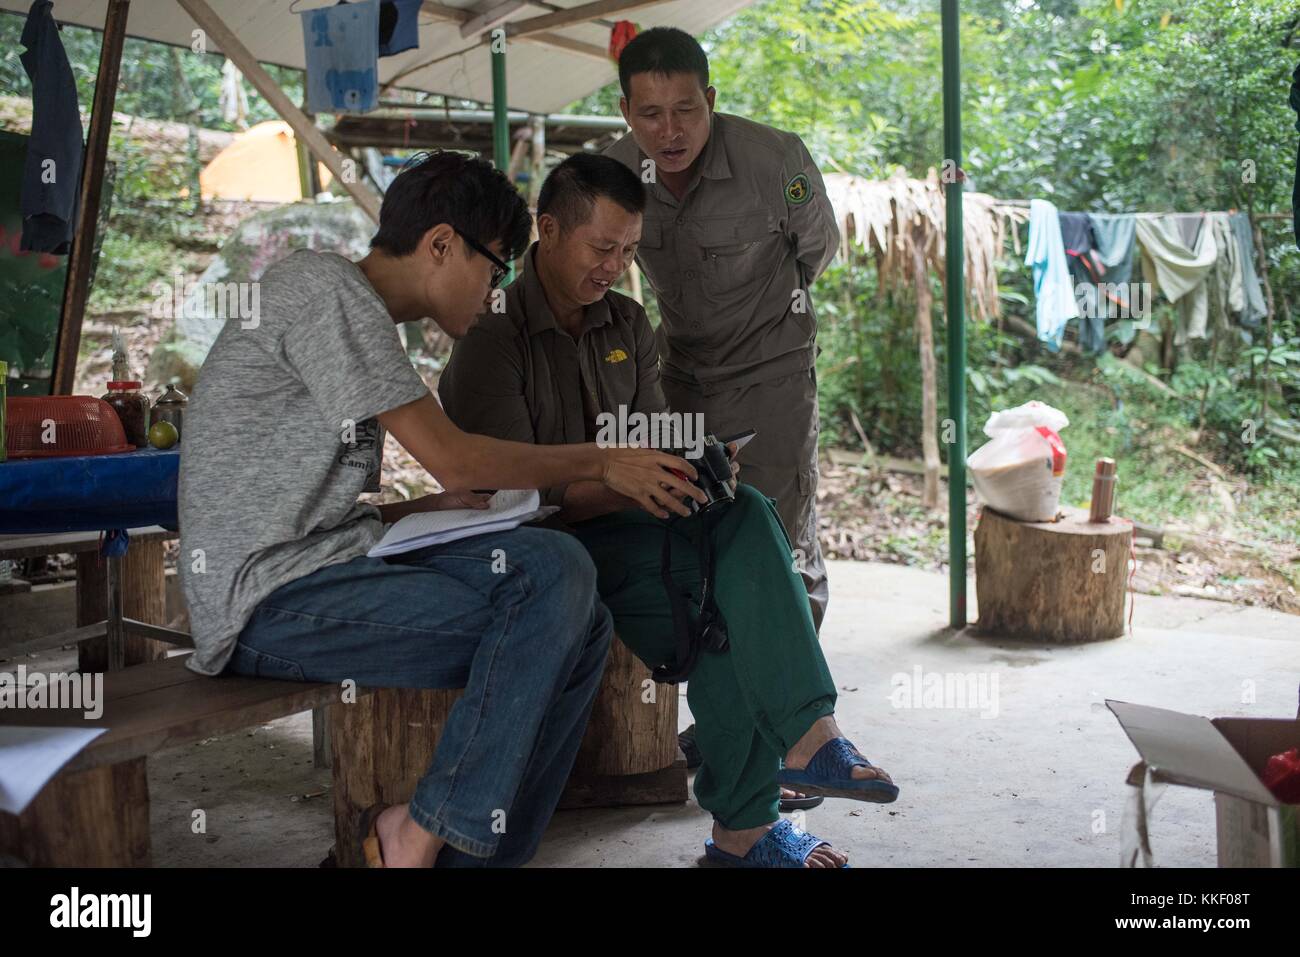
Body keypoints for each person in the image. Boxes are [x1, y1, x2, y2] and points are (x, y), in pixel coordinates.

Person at [178, 150, 705, 869]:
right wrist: (602, 458)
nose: (495, 294)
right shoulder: (323, 290)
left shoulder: (353, 309)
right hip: (262, 599)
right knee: (554, 592)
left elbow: (329, 499)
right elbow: (455, 454)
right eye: (494, 270)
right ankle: (418, 833)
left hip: (322, 566)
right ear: (441, 244)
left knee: (576, 607)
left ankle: (452, 851)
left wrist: (420, 511)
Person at [439, 154, 898, 868]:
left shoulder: (625, 318)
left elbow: (655, 435)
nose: (615, 267)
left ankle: (807, 745)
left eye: (628, 251)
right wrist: (623, 478)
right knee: (725, 607)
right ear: (549, 229)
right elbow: (505, 492)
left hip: (631, 526)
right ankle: (753, 821)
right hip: (542, 554)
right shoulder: (491, 332)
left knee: (741, 511)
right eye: (601, 248)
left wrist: (697, 458)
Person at [604, 26, 840, 636]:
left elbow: (816, 251)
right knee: (694, 535)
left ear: (710, 98)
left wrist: (765, 316)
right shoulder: (612, 175)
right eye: (650, 114)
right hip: (681, 378)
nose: (670, 131)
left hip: (773, 376)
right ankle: (722, 714)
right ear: (625, 111)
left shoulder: (776, 160)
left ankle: (795, 719)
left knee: (779, 535)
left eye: (685, 109)